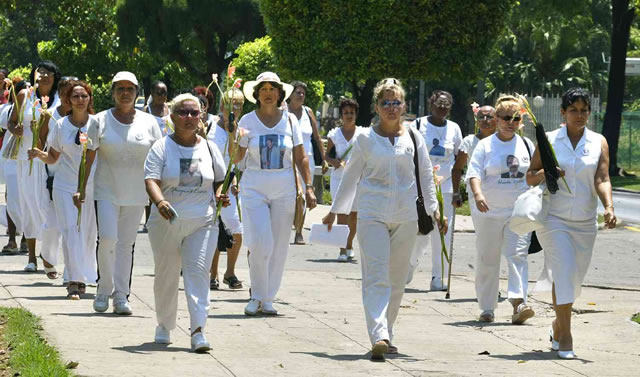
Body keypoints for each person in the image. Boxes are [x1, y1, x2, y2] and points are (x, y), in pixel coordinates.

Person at [323, 78, 445, 361]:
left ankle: (387, 331)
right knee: (377, 276)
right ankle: (378, 334)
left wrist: (434, 210)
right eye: (385, 103)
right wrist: (335, 210)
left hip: (406, 217)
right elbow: (351, 176)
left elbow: (425, 175)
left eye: (396, 102)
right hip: (372, 215)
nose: (391, 107)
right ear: (376, 107)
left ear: (404, 106)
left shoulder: (414, 137)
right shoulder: (365, 138)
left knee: (397, 279)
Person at [527, 88, 616, 359]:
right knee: (564, 271)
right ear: (563, 113)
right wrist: (547, 172)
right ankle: (566, 336)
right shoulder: (549, 140)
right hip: (554, 219)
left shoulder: (598, 141)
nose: (580, 115)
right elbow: (530, 176)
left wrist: (609, 207)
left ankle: (557, 324)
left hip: (585, 222)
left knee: (574, 280)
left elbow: (601, 178)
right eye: (574, 110)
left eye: (584, 110)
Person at [145, 93, 228, 352]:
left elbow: (220, 179)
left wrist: (220, 194)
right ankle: (165, 324)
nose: (189, 117)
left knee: (198, 274)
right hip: (166, 221)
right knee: (167, 274)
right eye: (183, 112)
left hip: (202, 221)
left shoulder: (210, 147)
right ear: (172, 117)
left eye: (194, 113)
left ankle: (198, 330)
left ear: (201, 116)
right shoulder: (161, 147)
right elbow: (151, 179)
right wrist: (160, 203)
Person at [81, 71, 162, 315]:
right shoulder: (99, 120)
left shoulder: (149, 122)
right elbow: (89, 156)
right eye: (120, 89)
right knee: (107, 239)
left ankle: (121, 295)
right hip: (106, 190)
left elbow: (159, 156)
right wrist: (80, 188)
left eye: (130, 89)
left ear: (137, 93)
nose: (125, 93)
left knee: (126, 243)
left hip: (136, 192)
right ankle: (103, 290)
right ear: (113, 92)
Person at [236, 71, 316, 316]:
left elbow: (301, 156)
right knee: (260, 242)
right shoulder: (247, 121)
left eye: (272, 89)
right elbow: (238, 159)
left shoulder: (290, 121)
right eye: (264, 89)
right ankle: (257, 294)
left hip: (284, 187)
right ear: (257, 94)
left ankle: (268, 298)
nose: (268, 94)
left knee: (280, 244)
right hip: (254, 187)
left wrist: (309, 186)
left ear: (280, 93)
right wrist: (233, 136)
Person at [466, 95, 536, 324]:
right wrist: (478, 195)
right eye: (506, 118)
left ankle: (519, 302)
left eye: (516, 118)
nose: (511, 123)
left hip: (518, 212)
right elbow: (474, 173)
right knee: (488, 258)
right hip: (489, 212)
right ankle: (487, 307)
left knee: (518, 255)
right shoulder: (485, 146)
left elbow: (534, 174)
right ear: (496, 119)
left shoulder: (527, 145)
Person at [28, 80, 98, 299]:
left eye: (83, 96)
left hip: (89, 186)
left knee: (86, 232)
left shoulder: (97, 124)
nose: (79, 100)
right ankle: (74, 281)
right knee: (69, 229)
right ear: (68, 100)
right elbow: (53, 157)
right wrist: (39, 155)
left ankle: (85, 274)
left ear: (89, 100)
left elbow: (96, 155)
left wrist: (83, 188)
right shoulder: (61, 125)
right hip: (64, 185)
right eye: (75, 96)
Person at [7, 61, 62, 274]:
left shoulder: (61, 99)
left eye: (49, 73)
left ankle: (48, 253)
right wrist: (16, 129)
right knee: (29, 204)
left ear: (55, 77)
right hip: (26, 157)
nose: (44, 77)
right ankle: (31, 256)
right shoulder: (24, 96)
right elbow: (11, 122)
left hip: (52, 158)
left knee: (47, 207)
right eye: (40, 73)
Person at [408, 90, 462, 290]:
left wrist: (456, 191)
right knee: (420, 232)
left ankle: (437, 278)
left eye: (447, 104)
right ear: (431, 104)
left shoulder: (455, 128)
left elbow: (458, 163)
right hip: (420, 188)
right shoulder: (418, 125)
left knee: (442, 234)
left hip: (445, 187)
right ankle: (410, 264)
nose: (442, 107)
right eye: (439, 103)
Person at [207, 88, 245, 290]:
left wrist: (232, 133)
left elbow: (235, 158)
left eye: (239, 104)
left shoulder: (239, 130)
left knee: (236, 229)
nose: (235, 108)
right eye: (231, 104)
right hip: (210, 181)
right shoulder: (210, 126)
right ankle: (211, 274)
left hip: (229, 182)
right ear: (222, 106)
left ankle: (229, 272)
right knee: (213, 228)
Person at [325, 98, 363, 262]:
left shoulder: (362, 134)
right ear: (341, 114)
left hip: (357, 178)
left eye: (352, 113)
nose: (349, 116)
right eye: (346, 113)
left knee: (354, 214)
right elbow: (327, 156)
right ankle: (341, 249)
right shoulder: (335, 134)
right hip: (339, 177)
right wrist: (335, 162)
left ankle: (349, 245)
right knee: (341, 212)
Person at [287, 81, 325, 244]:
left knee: (302, 195)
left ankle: (299, 232)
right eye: (298, 92)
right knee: (289, 195)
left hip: (305, 158)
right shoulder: (283, 111)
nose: (301, 95)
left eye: (303, 93)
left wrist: (324, 160)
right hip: (287, 158)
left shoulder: (308, 112)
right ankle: (287, 224)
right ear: (290, 95)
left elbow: (317, 137)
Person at [1, 78, 28, 254]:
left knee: (29, 196)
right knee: (12, 197)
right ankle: (12, 239)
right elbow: (6, 125)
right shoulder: (7, 110)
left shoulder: (37, 109)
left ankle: (27, 237)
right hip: (11, 156)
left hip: (29, 156)